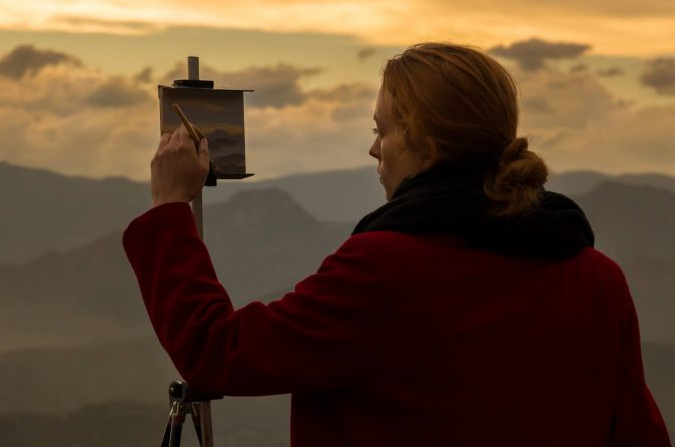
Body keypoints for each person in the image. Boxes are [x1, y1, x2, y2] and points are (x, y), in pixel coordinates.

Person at [122, 42, 671, 446]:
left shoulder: (386, 271)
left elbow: (219, 354)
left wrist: (171, 211)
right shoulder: (597, 277)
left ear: (424, 141)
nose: (372, 149)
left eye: (382, 130)